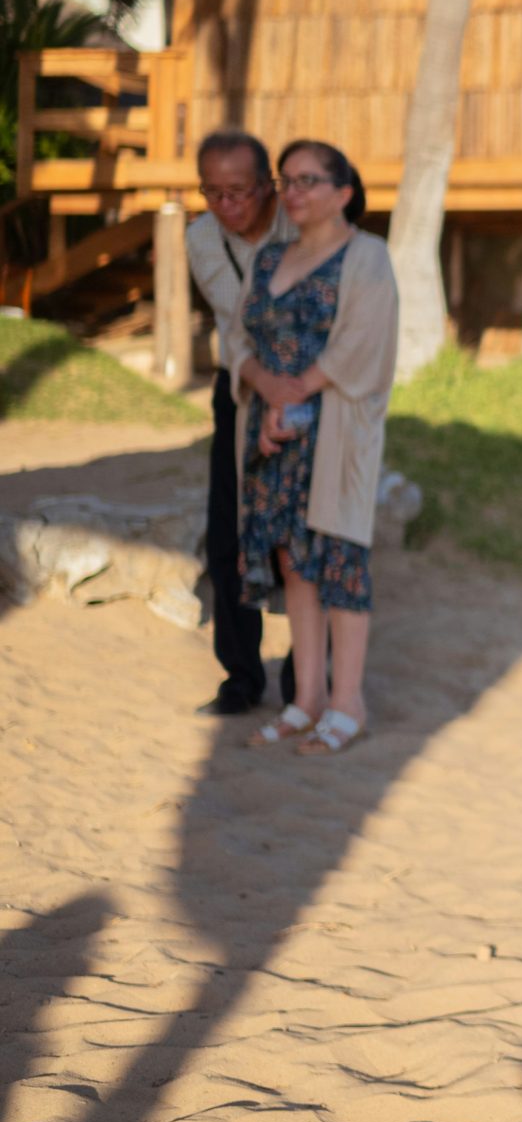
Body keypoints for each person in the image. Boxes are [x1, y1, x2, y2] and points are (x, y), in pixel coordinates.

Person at [235, 142, 398, 758]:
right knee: (294, 564)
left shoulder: (367, 256)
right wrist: (265, 389)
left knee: (338, 566)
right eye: (286, 181)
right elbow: (238, 337)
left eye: (308, 180)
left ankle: (347, 703)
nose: (293, 192)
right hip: (271, 433)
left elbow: (365, 343)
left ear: (343, 192)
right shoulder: (268, 256)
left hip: (332, 436)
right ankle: (305, 699)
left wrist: (294, 392)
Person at [184, 129, 296, 715]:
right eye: (213, 193)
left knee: (304, 535)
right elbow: (247, 313)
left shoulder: (302, 223)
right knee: (228, 532)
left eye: (240, 192)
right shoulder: (203, 238)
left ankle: (307, 676)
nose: (226, 207)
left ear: (268, 186)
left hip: (307, 392)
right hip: (241, 392)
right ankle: (241, 676)